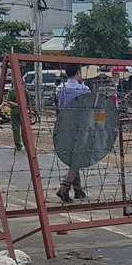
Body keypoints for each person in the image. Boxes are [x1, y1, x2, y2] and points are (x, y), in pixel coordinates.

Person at [54, 63, 89, 202]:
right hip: (79, 125)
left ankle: (78, 190)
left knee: (74, 157)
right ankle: (64, 188)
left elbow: (57, 106)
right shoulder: (84, 89)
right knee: (77, 156)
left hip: (63, 124)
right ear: (78, 73)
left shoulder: (59, 89)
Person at [6, 81, 33, 151]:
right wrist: (30, 112)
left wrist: (16, 104)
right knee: (25, 129)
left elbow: (8, 101)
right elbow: (29, 104)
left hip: (14, 111)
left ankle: (18, 145)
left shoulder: (11, 91)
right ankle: (27, 145)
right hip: (24, 111)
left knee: (16, 128)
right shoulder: (26, 91)